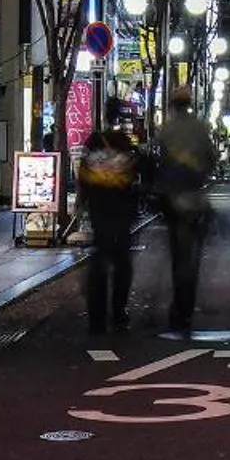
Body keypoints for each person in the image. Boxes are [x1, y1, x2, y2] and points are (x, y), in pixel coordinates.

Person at [151, 89, 217, 335]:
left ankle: (177, 308)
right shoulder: (200, 128)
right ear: (189, 105)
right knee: (192, 256)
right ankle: (185, 307)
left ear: (172, 106)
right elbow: (211, 159)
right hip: (194, 197)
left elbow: (155, 162)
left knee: (177, 254)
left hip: (170, 199)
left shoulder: (165, 130)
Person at [76, 108, 142, 334]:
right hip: (122, 209)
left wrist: (81, 201)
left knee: (99, 257)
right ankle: (119, 311)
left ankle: (97, 314)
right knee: (122, 261)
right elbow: (138, 173)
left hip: (98, 207)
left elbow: (82, 175)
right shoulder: (125, 143)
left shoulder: (93, 141)